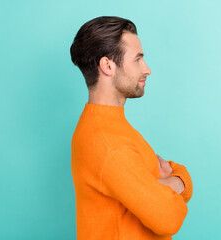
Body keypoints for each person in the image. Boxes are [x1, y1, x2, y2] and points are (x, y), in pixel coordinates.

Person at [70, 16, 193, 240]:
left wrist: (162, 187)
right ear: (107, 65)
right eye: (138, 59)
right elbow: (168, 218)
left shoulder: (109, 126)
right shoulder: (109, 142)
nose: (147, 69)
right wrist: (179, 181)